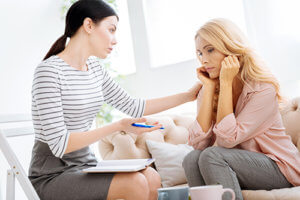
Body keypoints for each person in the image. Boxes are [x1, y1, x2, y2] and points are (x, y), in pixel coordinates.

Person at [28, 0, 202, 200]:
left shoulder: (94, 69)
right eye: (111, 30)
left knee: (152, 177)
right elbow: (60, 145)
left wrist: (188, 96)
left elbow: (134, 106)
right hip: (52, 175)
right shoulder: (49, 72)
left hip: (86, 165)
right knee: (135, 183)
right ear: (88, 25)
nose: (115, 39)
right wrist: (117, 126)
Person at [182, 18, 300, 200]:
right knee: (192, 159)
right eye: (199, 53)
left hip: (280, 168)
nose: (203, 60)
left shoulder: (262, 88)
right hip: (242, 166)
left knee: (212, 156)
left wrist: (227, 82)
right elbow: (198, 144)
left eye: (210, 50)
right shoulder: (210, 87)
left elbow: (228, 139)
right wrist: (210, 88)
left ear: (230, 48)